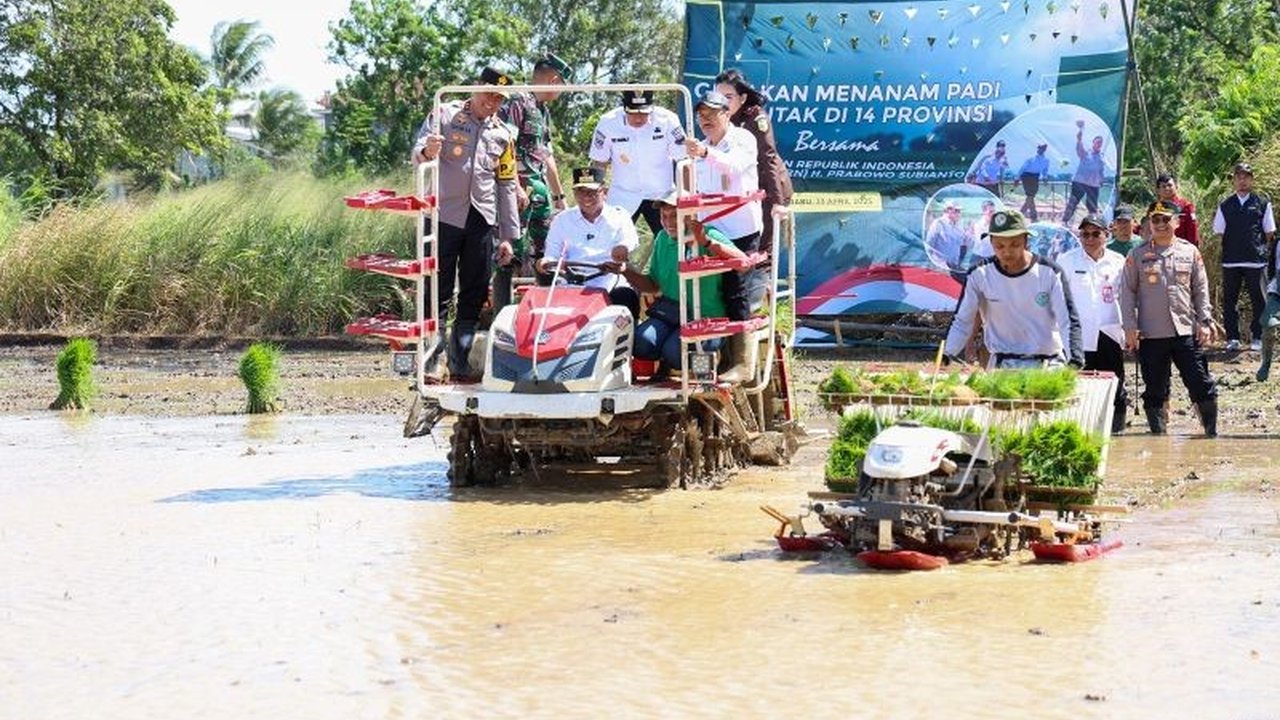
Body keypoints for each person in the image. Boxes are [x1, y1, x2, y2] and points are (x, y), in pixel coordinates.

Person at [411, 66, 520, 381]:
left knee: (474, 291)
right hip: (444, 215)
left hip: (481, 219)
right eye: (488, 94)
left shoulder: (504, 134)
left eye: (499, 98)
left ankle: (460, 361)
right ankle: (433, 360)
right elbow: (418, 153)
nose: (492, 102)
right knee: (438, 290)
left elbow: (507, 184)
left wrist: (508, 236)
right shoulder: (444, 113)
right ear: (476, 87)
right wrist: (427, 150)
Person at [608, 190, 746, 375]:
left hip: (707, 317)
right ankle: (659, 371)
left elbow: (743, 263)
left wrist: (706, 241)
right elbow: (653, 285)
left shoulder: (707, 234)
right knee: (641, 342)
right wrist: (625, 271)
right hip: (671, 314)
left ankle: (704, 376)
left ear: (690, 216)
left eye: (675, 215)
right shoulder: (662, 239)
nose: (668, 222)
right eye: (664, 216)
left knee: (677, 353)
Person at [684, 89, 763, 382]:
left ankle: (743, 364)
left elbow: (734, 167)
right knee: (702, 295)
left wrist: (705, 153)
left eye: (711, 113)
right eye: (701, 115)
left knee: (736, 290)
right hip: (708, 231)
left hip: (741, 229)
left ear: (726, 113)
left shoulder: (743, 139)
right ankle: (705, 367)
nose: (705, 120)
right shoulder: (697, 151)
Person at [1119, 200, 1217, 436]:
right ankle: (1158, 437)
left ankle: (1210, 433)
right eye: (1156, 220)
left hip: (1185, 330)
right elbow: (1127, 293)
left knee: (1200, 383)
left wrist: (1205, 321)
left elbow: (1200, 289)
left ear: (1176, 221)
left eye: (1166, 219)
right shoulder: (1137, 254)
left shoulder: (1189, 251)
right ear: (1149, 224)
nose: (1161, 224)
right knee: (1154, 390)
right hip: (1151, 333)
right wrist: (1130, 328)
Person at [944, 209, 1084, 369]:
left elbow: (1067, 319)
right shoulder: (979, 274)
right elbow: (963, 320)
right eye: (999, 246)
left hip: (1047, 364)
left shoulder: (1049, 272)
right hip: (1002, 365)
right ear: (991, 243)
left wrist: (1075, 359)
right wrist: (946, 354)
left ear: (1026, 241)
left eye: (1014, 244)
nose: (1007, 251)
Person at [493, 53, 572, 305]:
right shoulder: (517, 101)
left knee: (546, 251)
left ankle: (545, 309)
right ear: (554, 80)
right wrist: (515, 186)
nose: (562, 91)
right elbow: (504, 147)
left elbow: (547, 155)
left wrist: (560, 198)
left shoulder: (543, 111)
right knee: (510, 251)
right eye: (562, 85)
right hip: (518, 190)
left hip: (539, 191)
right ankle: (502, 313)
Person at [715, 69, 794, 307]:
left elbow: (768, 159)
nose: (723, 102)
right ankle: (740, 306)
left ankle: (755, 311)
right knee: (739, 247)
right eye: (719, 97)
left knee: (762, 252)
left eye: (728, 97)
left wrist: (777, 203)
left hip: (769, 190)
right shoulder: (721, 119)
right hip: (742, 195)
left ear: (743, 98)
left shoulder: (756, 118)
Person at [1057, 215, 1128, 432]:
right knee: (1078, 383)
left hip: (1110, 331)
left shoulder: (1119, 262)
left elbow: (1128, 296)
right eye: (1085, 234)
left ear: (1107, 234)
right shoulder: (1066, 260)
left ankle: (1116, 430)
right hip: (1077, 335)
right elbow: (1057, 298)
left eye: (1095, 233)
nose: (1090, 239)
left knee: (1113, 384)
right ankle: (1079, 427)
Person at [537, 167, 640, 319]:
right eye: (581, 192)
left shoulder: (619, 216)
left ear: (604, 192)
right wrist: (546, 263)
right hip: (571, 284)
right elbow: (552, 254)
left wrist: (622, 250)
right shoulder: (562, 220)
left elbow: (629, 242)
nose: (586, 197)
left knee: (625, 298)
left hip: (609, 281)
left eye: (592, 192)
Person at [589, 90, 687, 235]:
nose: (639, 118)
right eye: (633, 113)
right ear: (624, 108)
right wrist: (596, 195)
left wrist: (685, 195)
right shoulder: (607, 122)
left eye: (644, 113)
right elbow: (599, 162)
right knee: (610, 239)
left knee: (673, 240)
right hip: (623, 194)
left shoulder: (668, 120)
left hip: (661, 194)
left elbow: (683, 160)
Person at [1212, 162, 1276, 351]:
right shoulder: (1225, 205)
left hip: (1255, 261)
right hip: (1231, 260)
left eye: (1246, 176)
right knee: (1230, 299)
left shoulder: (1262, 203)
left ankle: (1257, 337)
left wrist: (1256, 248)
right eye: (1238, 176)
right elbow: (1220, 232)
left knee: (1259, 299)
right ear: (1233, 180)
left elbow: (1269, 232)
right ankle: (1232, 338)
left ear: (1252, 179)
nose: (1242, 180)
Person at [1061, 122, 1107, 224]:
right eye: (1097, 142)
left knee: (1092, 206)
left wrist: (1102, 179)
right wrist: (1081, 129)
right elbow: (1079, 142)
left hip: (1094, 184)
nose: (1099, 144)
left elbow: (1101, 170)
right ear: (1093, 143)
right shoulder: (1086, 153)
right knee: (1073, 202)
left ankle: (1093, 223)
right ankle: (1064, 222)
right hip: (1080, 182)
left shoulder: (1101, 157)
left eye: (1100, 143)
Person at [925, 201, 971, 272]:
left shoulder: (959, 227)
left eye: (959, 211)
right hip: (940, 268)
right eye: (956, 211)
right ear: (948, 210)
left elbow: (963, 245)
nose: (959, 214)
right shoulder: (938, 223)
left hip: (954, 267)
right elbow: (929, 245)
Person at [1156, 173, 1199, 246]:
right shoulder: (1155, 208)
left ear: (1176, 186)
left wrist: (1192, 248)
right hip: (1161, 249)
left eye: (1170, 185)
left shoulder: (1185, 206)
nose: (1167, 188)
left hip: (1182, 249)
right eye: (1163, 186)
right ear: (1158, 190)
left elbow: (1192, 230)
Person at [1015, 143, 1050, 221]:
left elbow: (1045, 170)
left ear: (1045, 149)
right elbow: (1022, 168)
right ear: (1038, 148)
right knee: (1030, 194)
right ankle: (1031, 215)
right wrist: (1017, 178)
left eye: (1043, 148)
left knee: (1031, 196)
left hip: (1035, 177)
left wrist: (1045, 178)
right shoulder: (1030, 158)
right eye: (1040, 148)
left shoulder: (1046, 160)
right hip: (1026, 176)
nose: (1041, 149)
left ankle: (1021, 214)